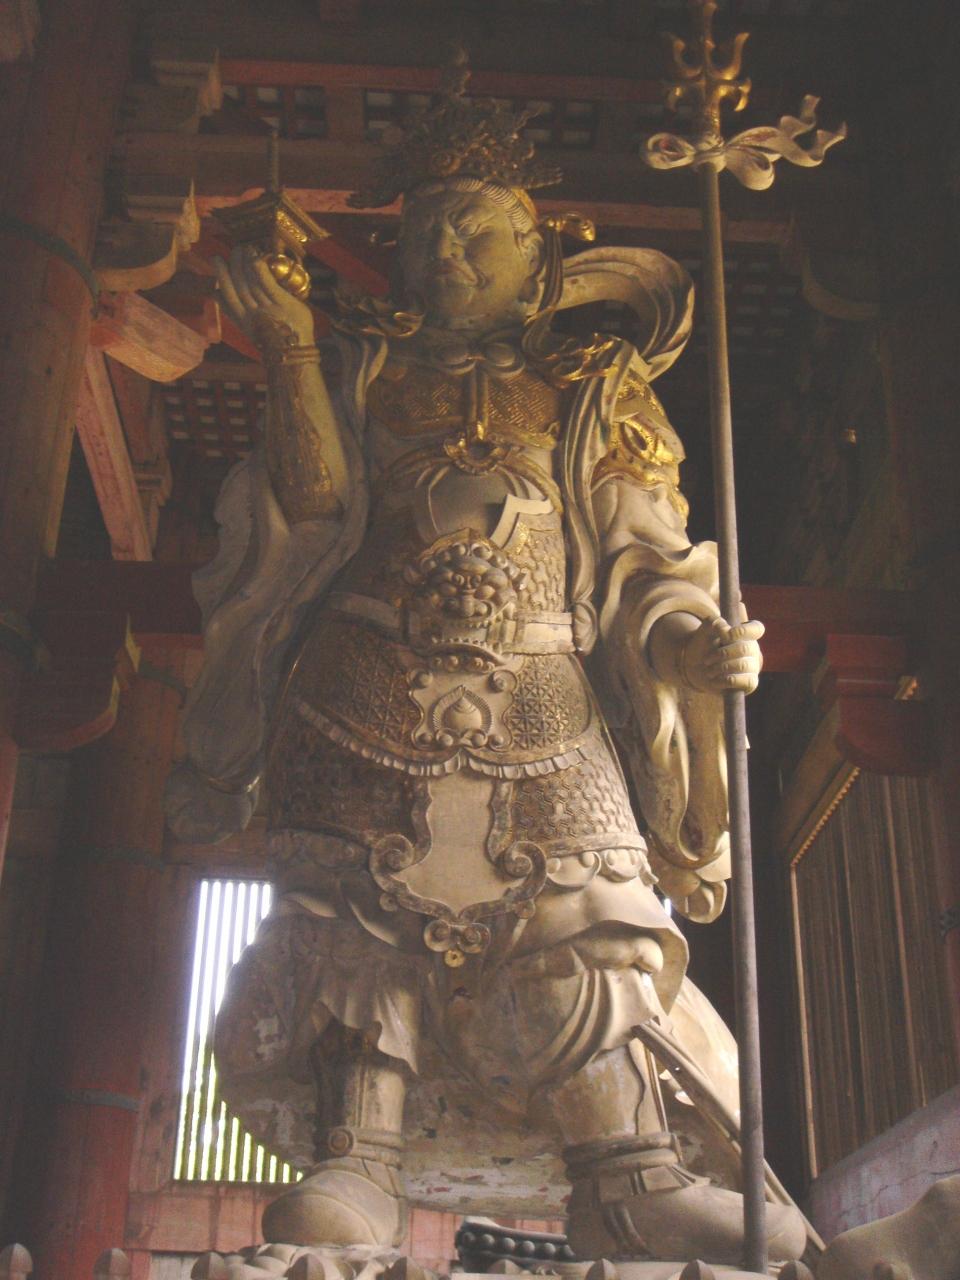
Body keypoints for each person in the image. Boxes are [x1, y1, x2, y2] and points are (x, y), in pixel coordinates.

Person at [166, 56, 805, 1266]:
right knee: (357, 910)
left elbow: (642, 551)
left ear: (536, 250)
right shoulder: (361, 368)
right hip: (365, 681)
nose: (449, 257)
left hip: (543, 688)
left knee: (589, 908)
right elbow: (311, 508)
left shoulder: (592, 386)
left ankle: (629, 1168)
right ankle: (360, 1151)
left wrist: (691, 639)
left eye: (477, 233)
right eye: (427, 236)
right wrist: (290, 349)